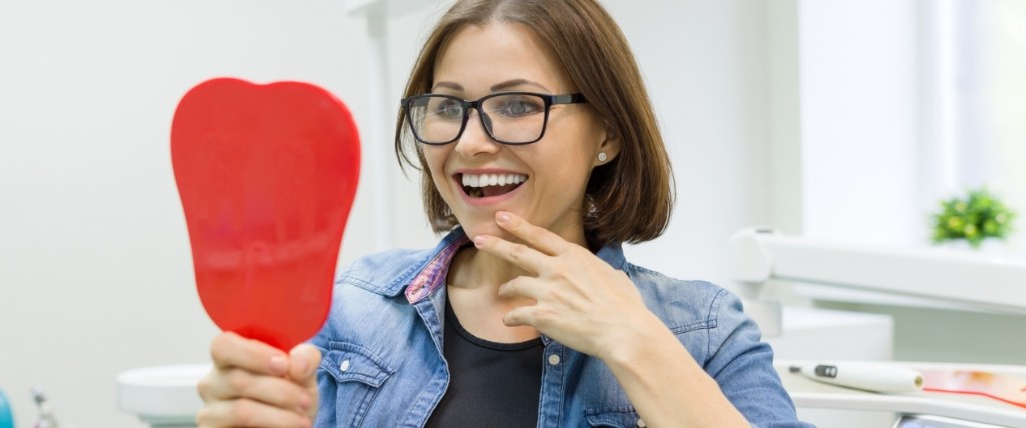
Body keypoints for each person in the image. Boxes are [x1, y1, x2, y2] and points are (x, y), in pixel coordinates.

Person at [197, 0, 810, 426]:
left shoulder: (701, 331)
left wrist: (634, 340)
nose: (469, 143)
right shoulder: (351, 311)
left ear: (608, 134)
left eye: (518, 105)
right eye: (447, 106)